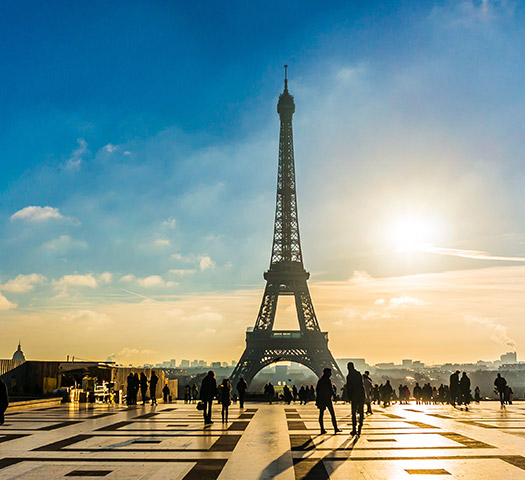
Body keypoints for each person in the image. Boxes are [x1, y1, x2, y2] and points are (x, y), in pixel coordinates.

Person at [316, 368, 341, 434]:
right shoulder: (327, 380)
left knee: (321, 415)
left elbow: (318, 390)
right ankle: (335, 428)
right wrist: (334, 395)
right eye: (330, 372)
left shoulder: (320, 380)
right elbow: (330, 389)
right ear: (327, 373)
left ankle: (322, 429)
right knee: (332, 414)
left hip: (321, 399)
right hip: (327, 399)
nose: (331, 374)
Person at [346, 362, 365, 436]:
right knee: (361, 411)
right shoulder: (358, 374)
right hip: (360, 395)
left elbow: (349, 387)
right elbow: (361, 385)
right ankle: (360, 425)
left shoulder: (349, 376)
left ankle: (354, 428)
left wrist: (349, 397)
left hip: (354, 396)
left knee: (353, 413)